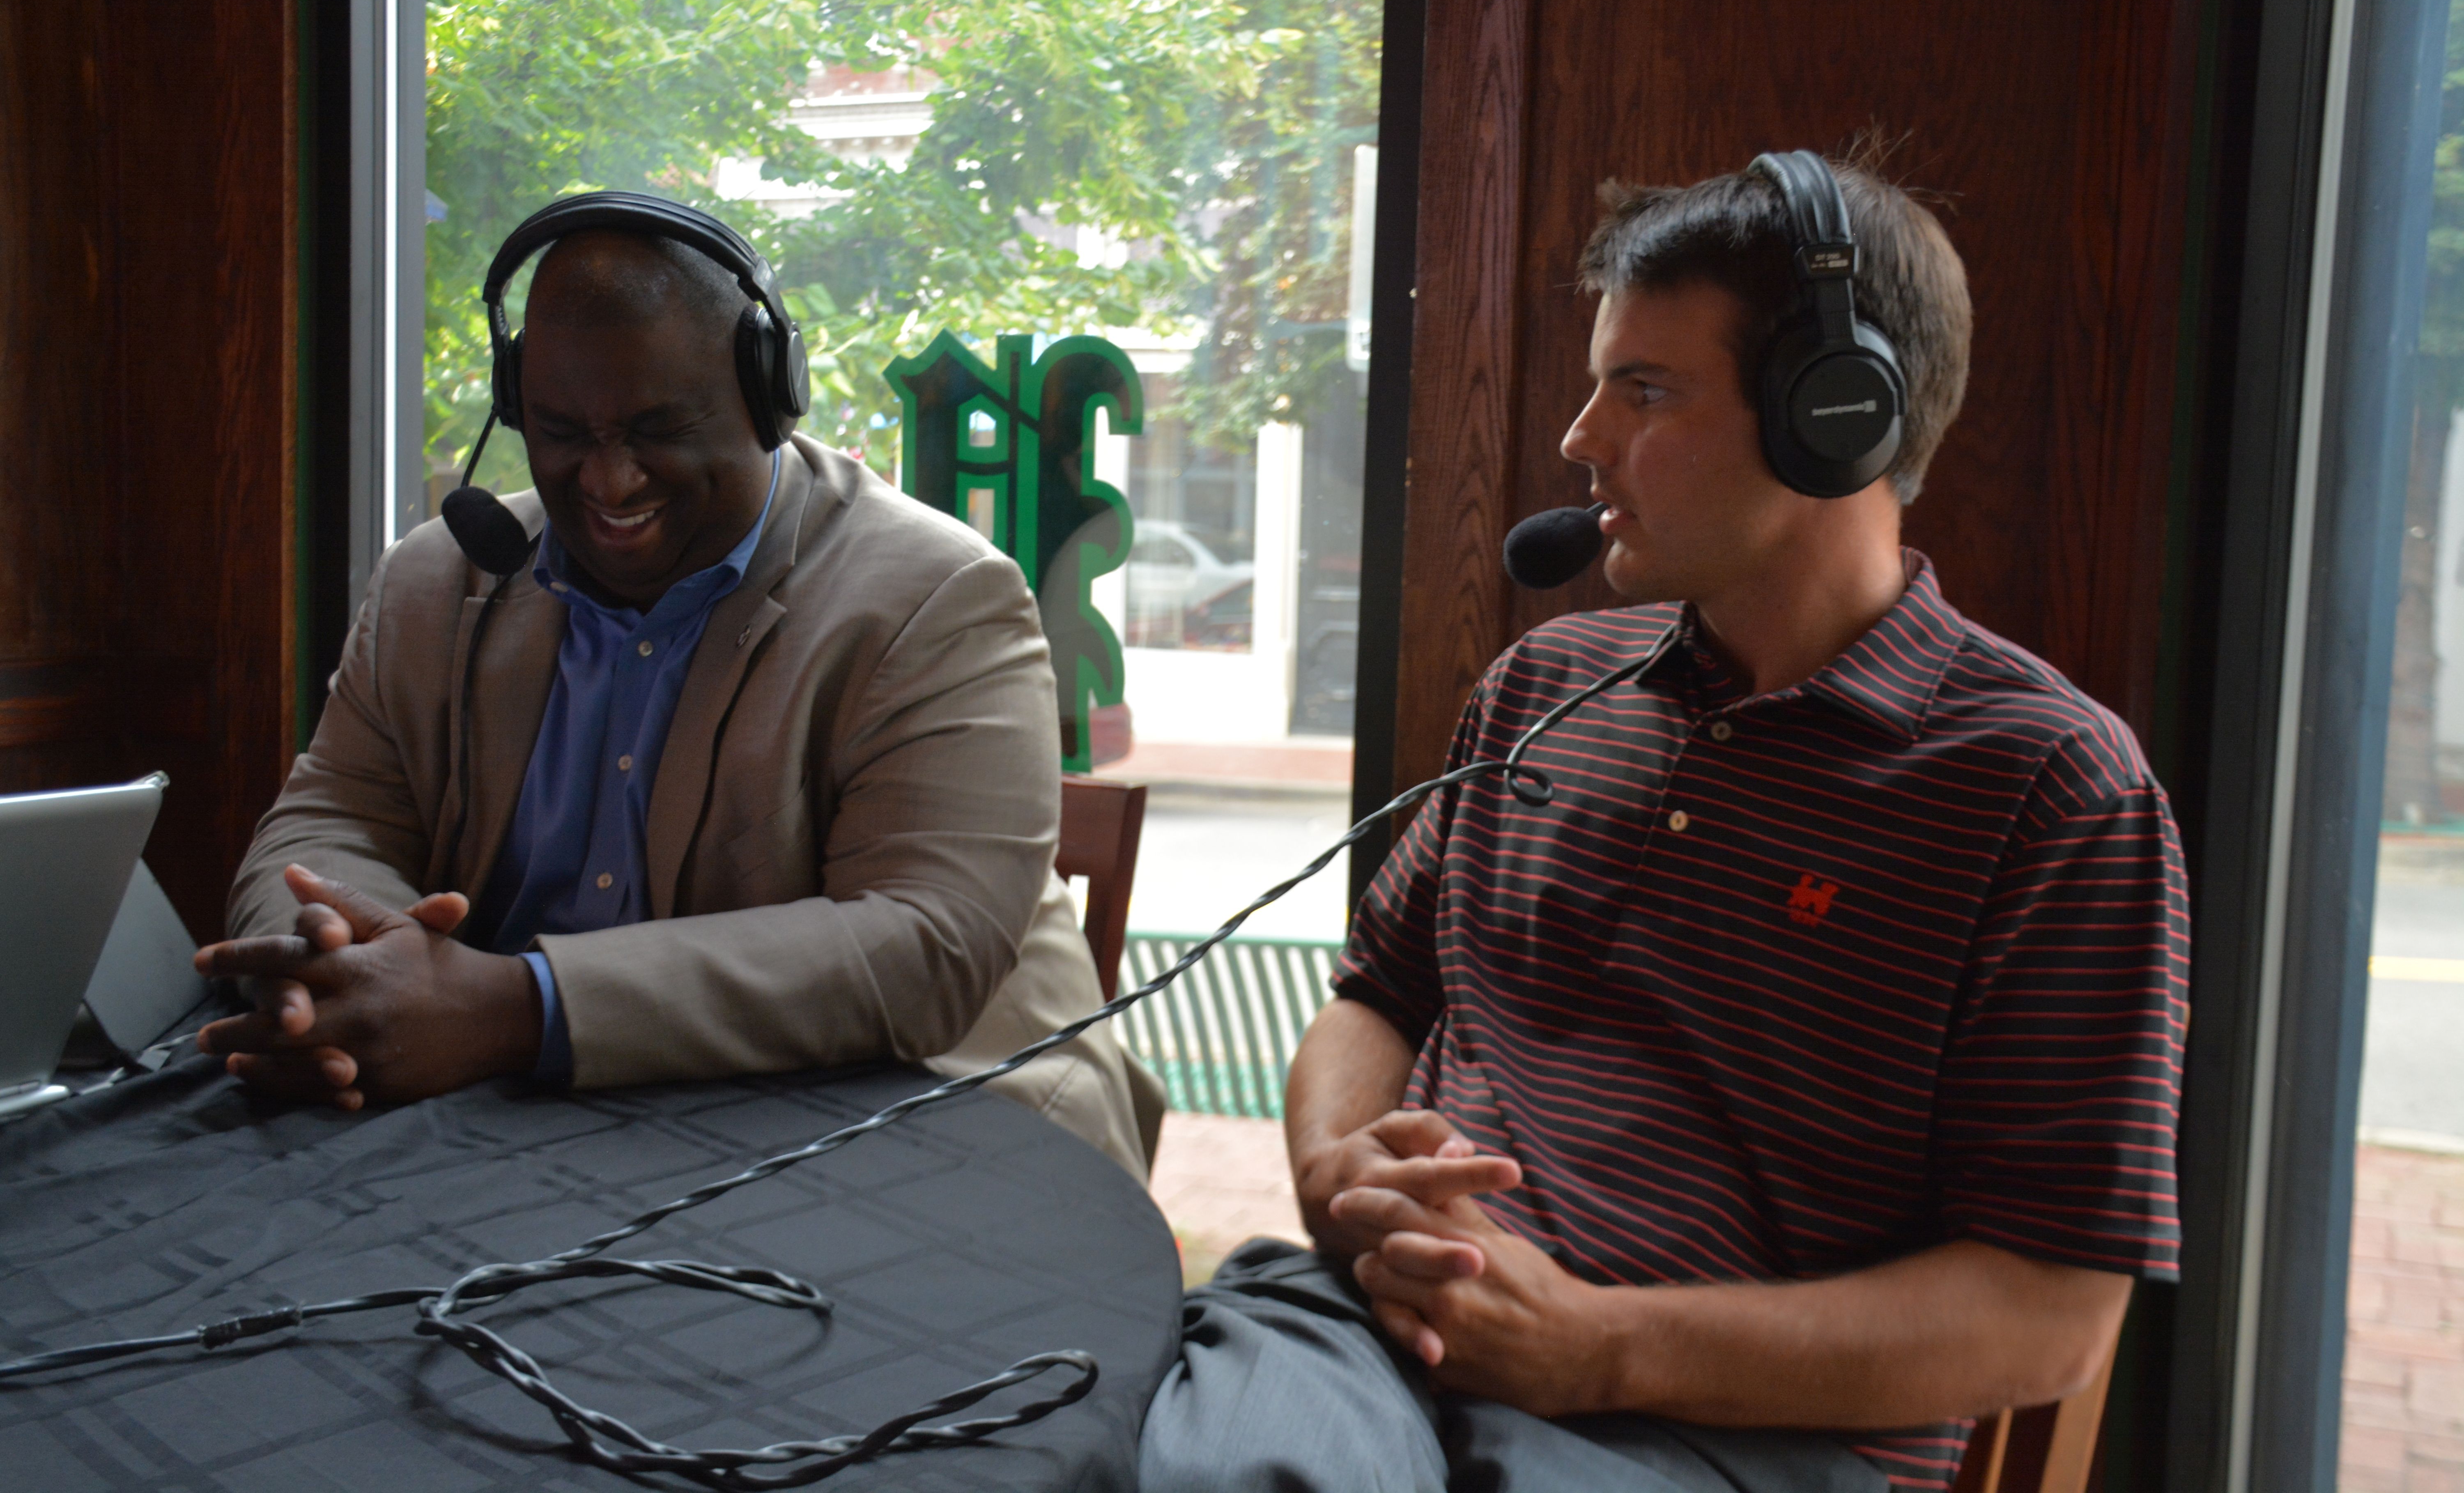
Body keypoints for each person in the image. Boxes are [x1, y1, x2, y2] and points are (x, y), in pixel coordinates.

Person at [1140, 154, 2189, 1492]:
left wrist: (1598, 1350)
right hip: (1364, 1338)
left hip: (1725, 1434)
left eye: (1643, 391)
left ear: (1834, 416)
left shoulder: (2053, 790)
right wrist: (1341, 1175)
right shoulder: (1542, 689)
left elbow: (2050, 1317)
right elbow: (1374, 1001)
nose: (1581, 439)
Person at [193, 203, 1159, 1178]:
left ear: (768, 397)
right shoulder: (436, 579)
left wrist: (510, 1008)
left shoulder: (939, 598)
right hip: (531, 1133)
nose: (610, 481)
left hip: (917, 1132)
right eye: (563, 432)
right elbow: (329, 817)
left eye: (659, 429)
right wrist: (348, 963)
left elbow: (922, 948)